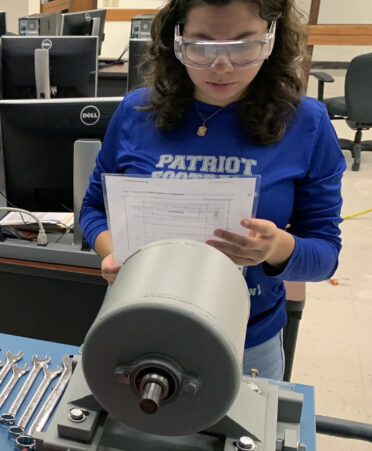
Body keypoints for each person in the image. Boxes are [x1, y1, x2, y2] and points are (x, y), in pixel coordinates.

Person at [80, 0, 346, 380]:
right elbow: (92, 210)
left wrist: (275, 249)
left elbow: (325, 254)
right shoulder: (137, 111)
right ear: (178, 39)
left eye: (243, 46)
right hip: (134, 322)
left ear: (271, 39)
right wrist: (115, 255)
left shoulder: (307, 123)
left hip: (245, 338)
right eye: (202, 47)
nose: (222, 66)